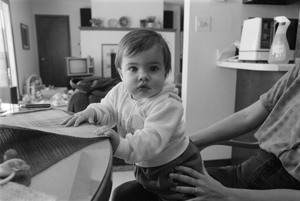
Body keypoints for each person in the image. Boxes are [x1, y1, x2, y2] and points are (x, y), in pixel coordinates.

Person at [112, 62, 300, 201]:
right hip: (246, 171)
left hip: (273, 193)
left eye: (153, 68)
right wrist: (189, 144)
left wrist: (227, 195)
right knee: (126, 194)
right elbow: (247, 115)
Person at [61, 29, 202, 201]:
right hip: (146, 162)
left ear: (165, 73)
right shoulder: (120, 90)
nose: (143, 76)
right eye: (133, 68)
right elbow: (108, 108)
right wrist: (92, 112)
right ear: (121, 73)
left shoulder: (168, 104)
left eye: (153, 68)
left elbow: (151, 140)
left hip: (175, 167)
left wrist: (120, 145)